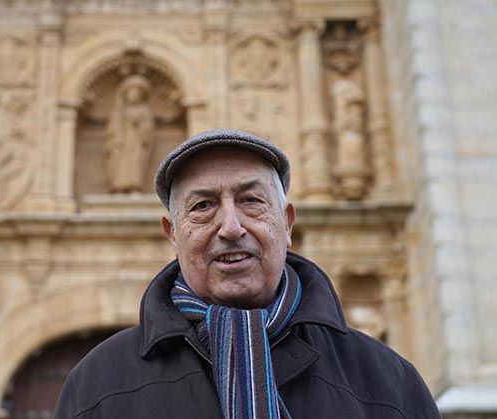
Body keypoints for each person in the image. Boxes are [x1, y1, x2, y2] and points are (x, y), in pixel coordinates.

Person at [53, 129, 441, 418]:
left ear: (286, 223)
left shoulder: (389, 382)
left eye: (251, 200)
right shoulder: (97, 385)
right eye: (203, 206)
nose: (231, 227)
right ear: (173, 234)